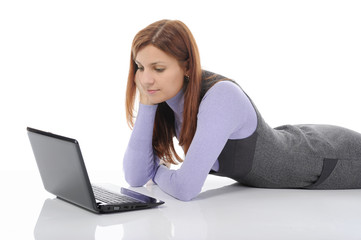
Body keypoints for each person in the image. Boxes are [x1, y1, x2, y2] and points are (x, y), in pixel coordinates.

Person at [123, 19, 361, 201]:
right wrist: (146, 105)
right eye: (140, 67)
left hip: (331, 158)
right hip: (297, 139)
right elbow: (134, 177)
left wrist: (157, 171)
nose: (146, 79)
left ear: (186, 66)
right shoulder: (165, 98)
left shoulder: (221, 96)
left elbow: (186, 188)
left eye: (159, 69)